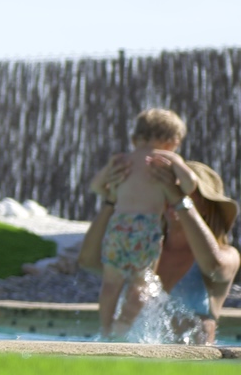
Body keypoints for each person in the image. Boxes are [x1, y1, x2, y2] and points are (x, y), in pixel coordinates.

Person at [78, 108, 235, 340]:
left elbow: (214, 265)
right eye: (162, 185)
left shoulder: (227, 254)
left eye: (178, 187)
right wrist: (112, 199)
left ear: (207, 204)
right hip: (132, 361)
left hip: (191, 366)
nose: (170, 191)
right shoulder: (144, 246)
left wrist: (180, 200)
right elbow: (87, 261)